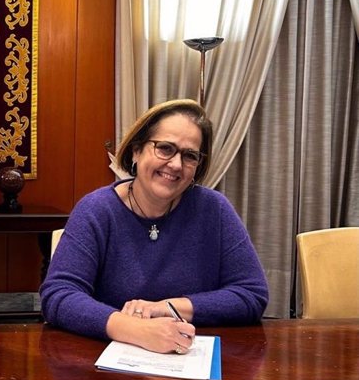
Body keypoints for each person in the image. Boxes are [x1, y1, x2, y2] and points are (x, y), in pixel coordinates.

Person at [40, 99, 268, 354]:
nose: (176, 165)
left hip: (191, 366)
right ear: (136, 150)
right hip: (106, 370)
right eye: (165, 148)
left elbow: (252, 294)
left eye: (189, 155)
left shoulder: (215, 209)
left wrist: (167, 307)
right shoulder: (96, 210)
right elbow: (59, 295)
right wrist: (136, 330)